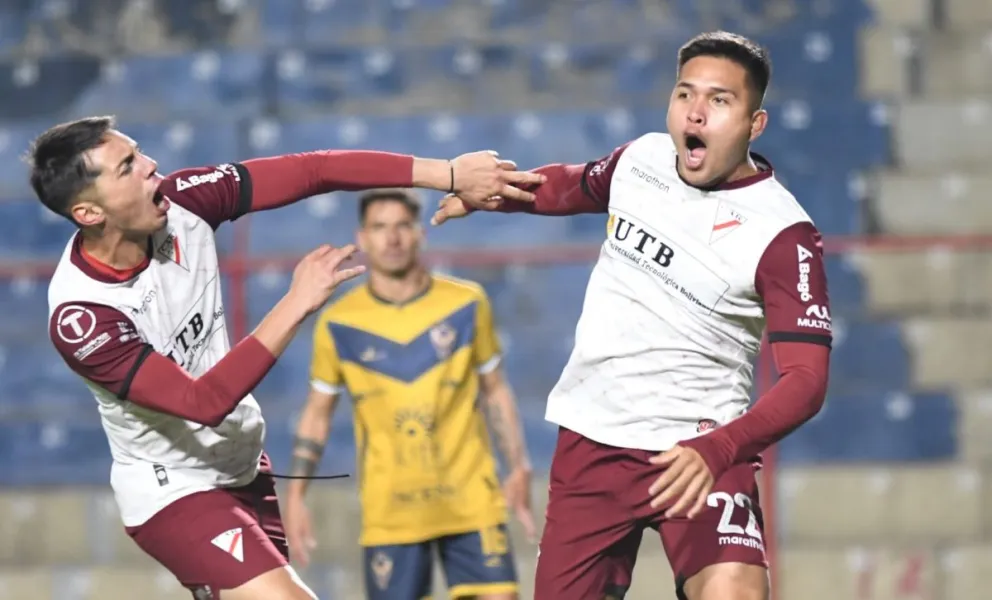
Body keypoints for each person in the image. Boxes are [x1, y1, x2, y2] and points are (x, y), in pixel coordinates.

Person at [38, 115, 545, 600]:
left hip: (243, 466)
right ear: (89, 213)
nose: (151, 166)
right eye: (128, 166)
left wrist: (449, 173)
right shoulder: (83, 317)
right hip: (172, 488)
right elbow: (201, 402)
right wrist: (297, 301)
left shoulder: (184, 200)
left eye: (140, 153)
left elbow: (314, 169)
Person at [431, 31, 831, 600]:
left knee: (735, 593)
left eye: (719, 100)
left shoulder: (784, 234)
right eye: (685, 93)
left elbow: (807, 381)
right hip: (594, 440)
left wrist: (720, 449)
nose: (695, 112)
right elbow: (570, 186)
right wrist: (495, 193)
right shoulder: (642, 160)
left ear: (754, 123)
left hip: (699, 450)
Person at [284, 188, 535, 600]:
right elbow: (317, 413)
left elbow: (495, 390)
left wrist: (519, 466)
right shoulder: (339, 323)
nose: (393, 238)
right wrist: (295, 496)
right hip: (391, 513)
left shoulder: (467, 303)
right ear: (362, 238)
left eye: (402, 226)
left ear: (420, 233)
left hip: (472, 501)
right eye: (380, 227)